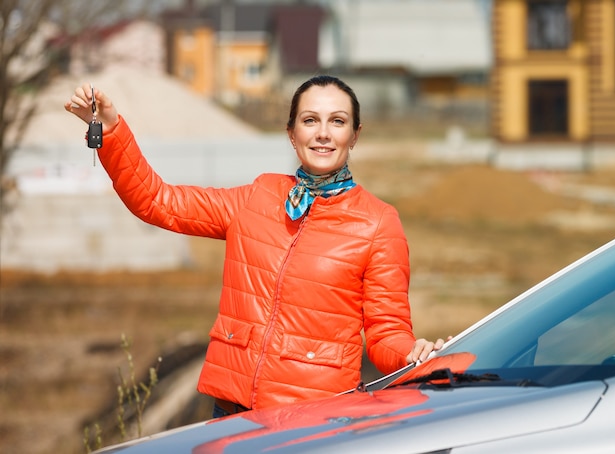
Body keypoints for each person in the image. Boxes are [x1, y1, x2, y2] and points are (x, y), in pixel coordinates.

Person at [65, 75, 445, 417]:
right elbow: (157, 201)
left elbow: (386, 331)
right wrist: (111, 129)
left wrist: (411, 354)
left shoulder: (379, 222)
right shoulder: (257, 196)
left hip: (313, 419)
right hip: (230, 412)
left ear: (355, 135)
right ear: (291, 133)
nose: (323, 133)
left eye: (337, 121)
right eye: (310, 120)